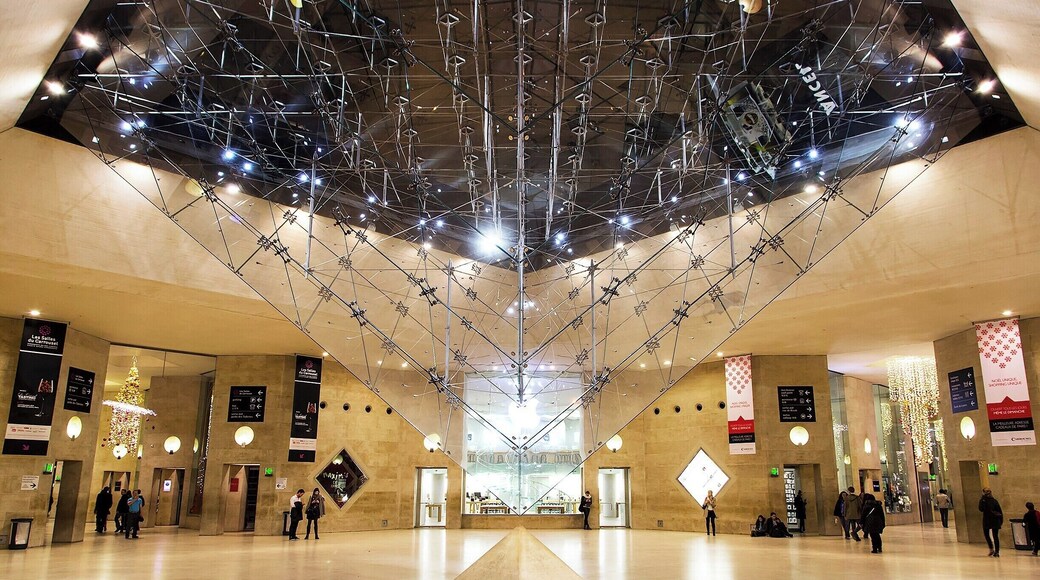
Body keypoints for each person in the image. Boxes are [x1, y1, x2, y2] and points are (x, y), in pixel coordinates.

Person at [978, 487, 1003, 557]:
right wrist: (1001, 521)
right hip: (994, 520)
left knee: (988, 535)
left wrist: (982, 499)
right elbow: (1000, 511)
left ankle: (992, 549)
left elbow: (981, 509)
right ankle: (996, 551)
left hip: (988, 519)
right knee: (995, 536)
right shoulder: (994, 501)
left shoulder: (984, 500)